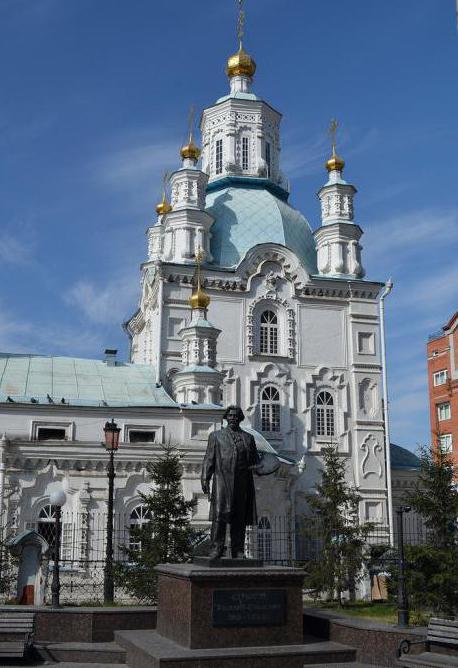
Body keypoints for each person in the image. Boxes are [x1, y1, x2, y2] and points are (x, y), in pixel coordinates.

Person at [201, 405, 259, 560]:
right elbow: (209, 458)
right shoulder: (216, 436)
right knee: (219, 516)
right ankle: (216, 549)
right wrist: (205, 478)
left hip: (242, 483)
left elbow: (255, 462)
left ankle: (237, 550)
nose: (233, 418)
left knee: (239, 517)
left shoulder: (248, 438)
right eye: (230, 416)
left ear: (240, 418)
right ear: (226, 418)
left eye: (236, 416)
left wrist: (262, 467)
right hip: (222, 481)